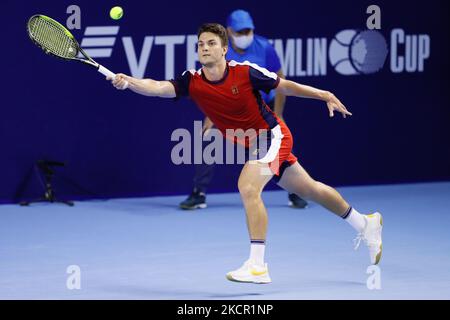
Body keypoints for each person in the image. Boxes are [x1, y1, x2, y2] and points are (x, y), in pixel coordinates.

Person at [109, 23, 383, 284]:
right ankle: (365, 223)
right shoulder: (191, 81)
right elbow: (157, 87)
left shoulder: (245, 72)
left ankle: (257, 265)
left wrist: (324, 94)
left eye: (211, 43)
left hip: (273, 136)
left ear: (224, 49)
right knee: (309, 189)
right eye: (200, 44)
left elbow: (284, 86)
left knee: (248, 186)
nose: (204, 48)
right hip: (255, 145)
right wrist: (129, 82)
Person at [179, 9, 308, 210]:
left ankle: (295, 192)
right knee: (208, 137)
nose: (245, 35)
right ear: (229, 32)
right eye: (240, 31)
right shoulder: (219, 51)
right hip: (229, 107)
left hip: (264, 107)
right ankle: (199, 193)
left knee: (280, 142)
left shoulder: (265, 47)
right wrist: (210, 117)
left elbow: (281, 80)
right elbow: (211, 88)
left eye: (248, 30)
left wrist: (279, 112)